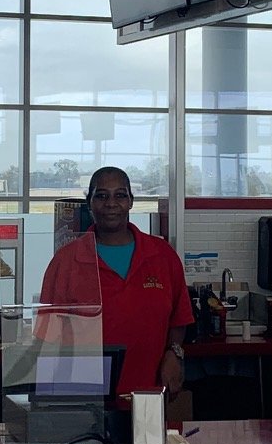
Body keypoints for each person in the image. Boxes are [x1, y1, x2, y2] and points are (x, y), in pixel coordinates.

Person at [37, 166, 193, 415]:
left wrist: (175, 353)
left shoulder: (163, 256)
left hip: (149, 397)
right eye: (101, 196)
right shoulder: (66, 261)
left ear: (131, 202)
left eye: (120, 195)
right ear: (89, 203)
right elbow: (49, 338)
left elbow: (179, 318)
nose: (111, 203)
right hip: (84, 402)